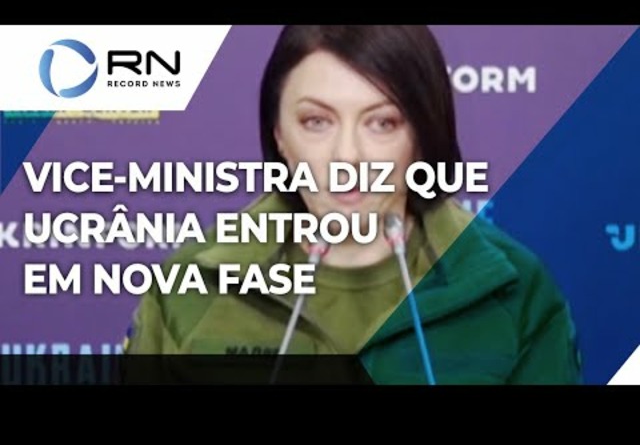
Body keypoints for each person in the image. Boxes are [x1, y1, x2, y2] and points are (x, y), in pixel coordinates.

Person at [124, 25, 583, 385]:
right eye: (316, 121)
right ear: (279, 135)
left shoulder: (516, 292)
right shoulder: (190, 287)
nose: (347, 157)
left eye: (381, 123)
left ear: (421, 136)